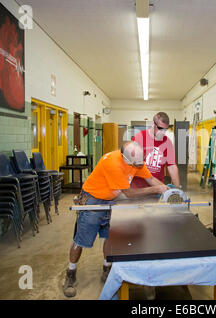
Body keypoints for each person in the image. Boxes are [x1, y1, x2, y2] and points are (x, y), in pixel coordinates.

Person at [63, 141, 169, 298]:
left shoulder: (136, 160)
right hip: (93, 198)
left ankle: (107, 268)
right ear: (126, 160)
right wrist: (156, 190)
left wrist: (168, 191)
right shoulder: (113, 163)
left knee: (110, 236)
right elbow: (129, 193)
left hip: (111, 198)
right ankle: (71, 272)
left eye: (141, 164)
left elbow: (151, 179)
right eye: (137, 165)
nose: (139, 167)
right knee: (81, 238)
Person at [131, 112, 181, 189]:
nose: (163, 132)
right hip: (138, 187)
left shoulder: (167, 142)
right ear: (153, 124)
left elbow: (172, 167)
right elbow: (132, 163)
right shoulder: (139, 137)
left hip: (158, 188)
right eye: (160, 129)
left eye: (165, 129)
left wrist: (178, 188)